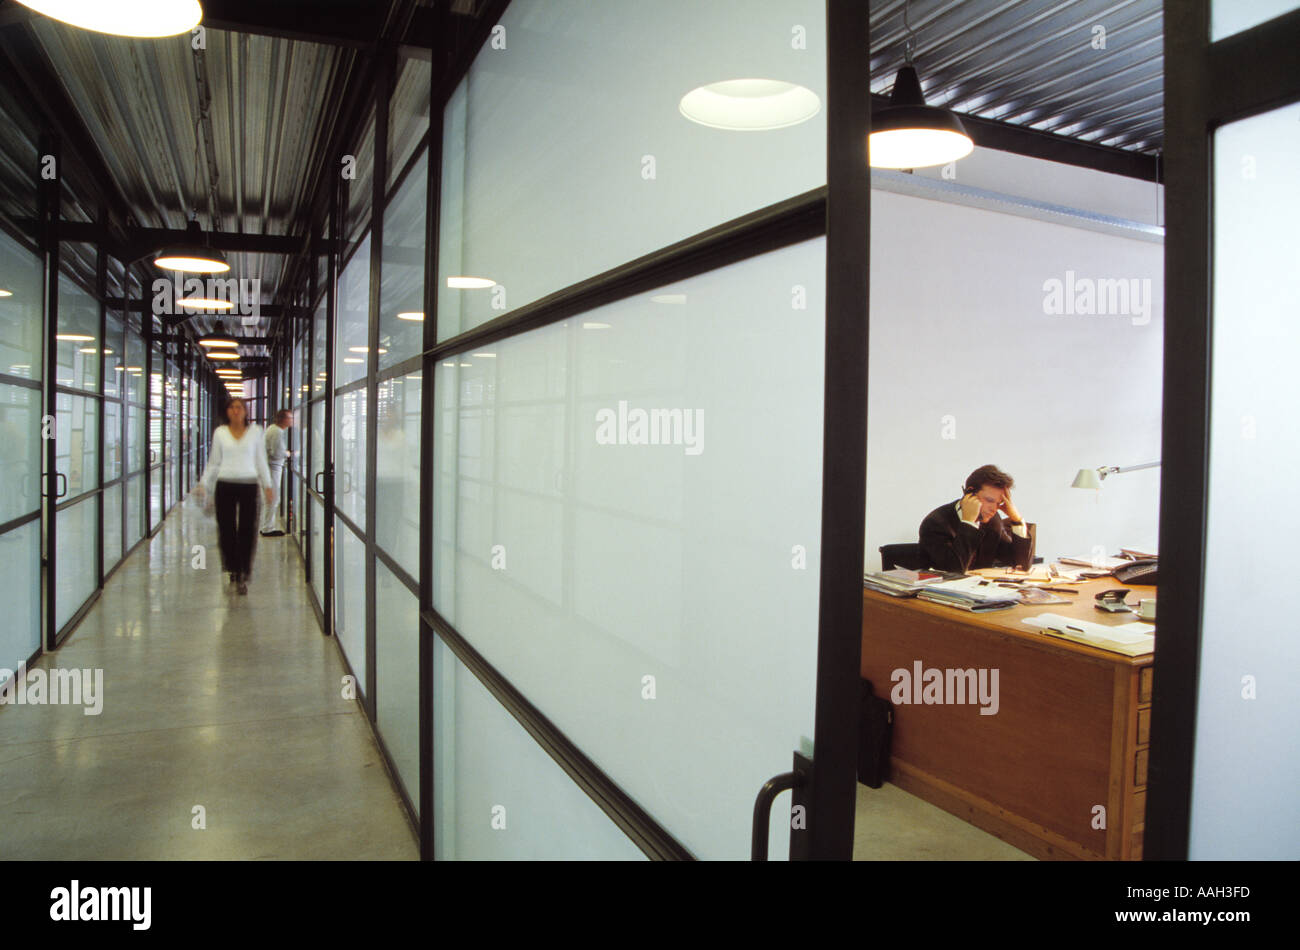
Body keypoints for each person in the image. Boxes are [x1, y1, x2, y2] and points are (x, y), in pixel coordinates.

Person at [193, 397, 273, 595]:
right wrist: (203, 483)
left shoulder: (256, 432)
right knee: (227, 530)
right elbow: (213, 462)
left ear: (246, 411)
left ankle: (244, 572)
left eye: (240, 407)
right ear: (227, 411)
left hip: (249, 484)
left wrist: (268, 485)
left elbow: (261, 460)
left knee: (247, 530)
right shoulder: (220, 433)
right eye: (232, 407)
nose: (236, 411)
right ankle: (233, 569)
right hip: (225, 485)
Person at [918, 464, 1032, 573]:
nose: (994, 509)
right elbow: (954, 570)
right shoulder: (935, 523)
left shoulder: (993, 521)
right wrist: (968, 523)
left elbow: (1021, 564)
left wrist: (1016, 519)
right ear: (969, 493)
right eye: (990, 500)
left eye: (999, 503)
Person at [260, 408, 293, 537]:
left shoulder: (272, 429)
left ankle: (266, 526)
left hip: (269, 467)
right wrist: (289, 454)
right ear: (283, 419)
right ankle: (268, 528)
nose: (291, 421)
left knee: (270, 498)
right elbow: (277, 453)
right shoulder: (277, 432)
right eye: (289, 418)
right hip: (272, 468)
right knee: (273, 498)